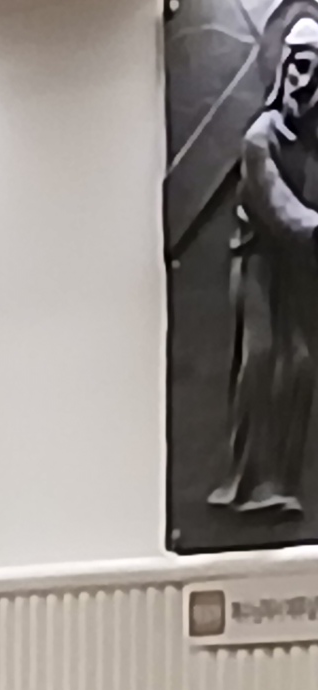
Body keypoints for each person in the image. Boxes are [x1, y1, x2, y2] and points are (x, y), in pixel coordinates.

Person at [213, 18, 318, 520]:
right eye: (297, 68)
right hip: (259, 262)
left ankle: (284, 482)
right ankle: (249, 482)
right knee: (261, 360)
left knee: (300, 364)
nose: (303, 82)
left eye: (315, 73)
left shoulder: (311, 140)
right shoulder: (260, 138)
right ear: (282, 69)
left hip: (298, 268)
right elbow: (278, 207)